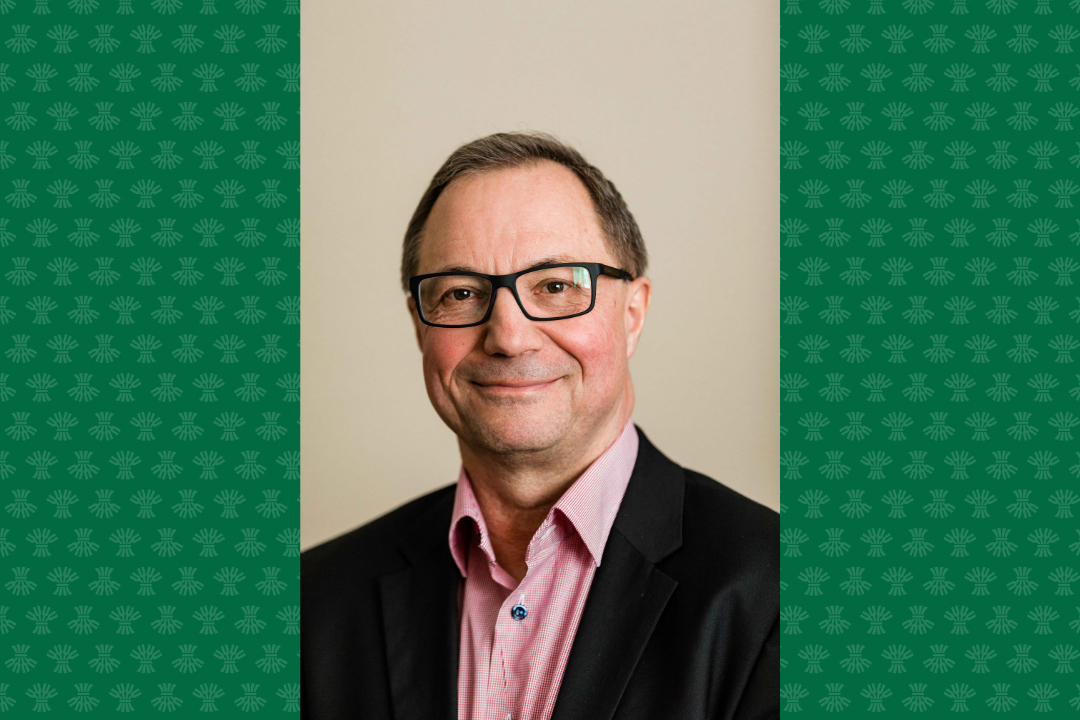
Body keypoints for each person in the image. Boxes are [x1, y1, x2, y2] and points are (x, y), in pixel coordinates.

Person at [301, 131, 779, 720]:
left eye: (555, 286)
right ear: (420, 326)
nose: (508, 336)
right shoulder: (312, 603)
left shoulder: (776, 590)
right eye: (461, 292)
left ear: (633, 313)